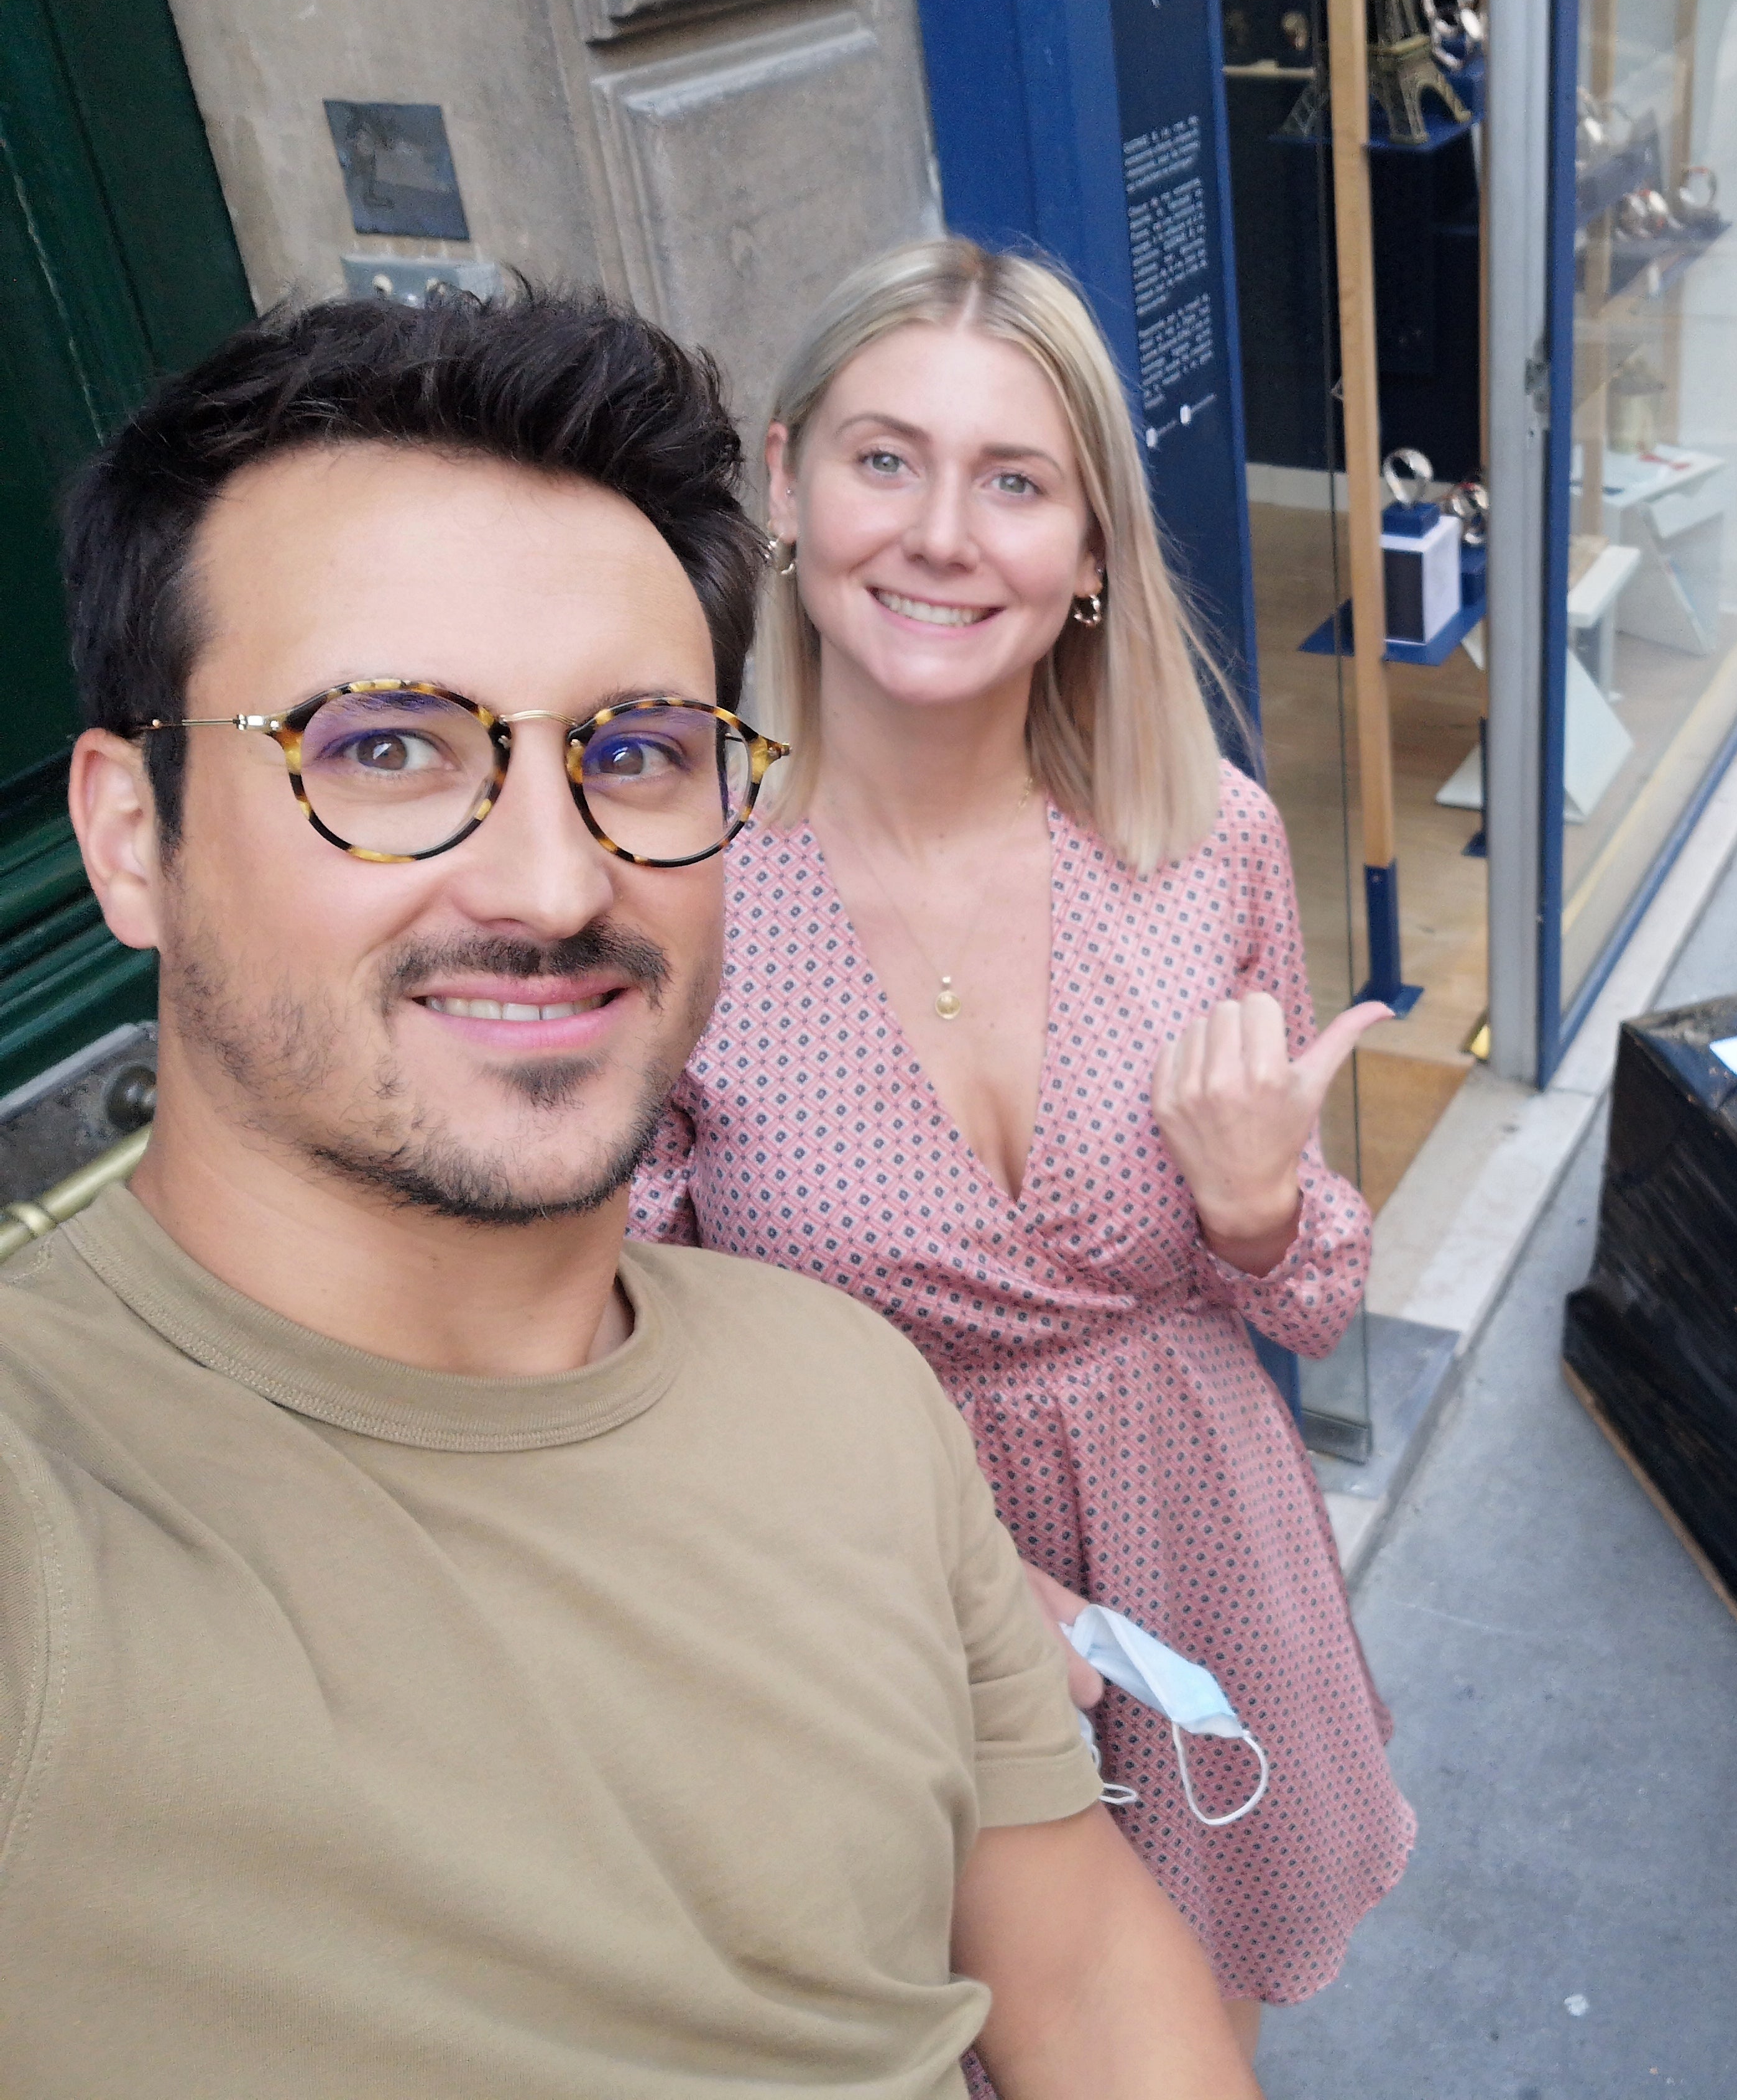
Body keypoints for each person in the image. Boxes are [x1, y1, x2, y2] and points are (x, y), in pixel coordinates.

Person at [6, 288, 1260, 2100]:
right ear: (134, 834)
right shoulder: (53, 1506)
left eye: (637, 752)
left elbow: (1076, 1967)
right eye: (384, 747)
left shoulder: (845, 1385)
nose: (552, 879)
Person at [628, 237, 1413, 2063]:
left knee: (1191, 2044)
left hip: (1197, 1555)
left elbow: (1311, 1299)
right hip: (862, 1594)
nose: (939, 536)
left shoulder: (1201, 839)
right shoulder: (669, 875)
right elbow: (627, 1343)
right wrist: (949, 1583)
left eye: (1013, 482)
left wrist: (1259, 1207)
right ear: (785, 482)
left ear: (1089, 549)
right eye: (884, 459)